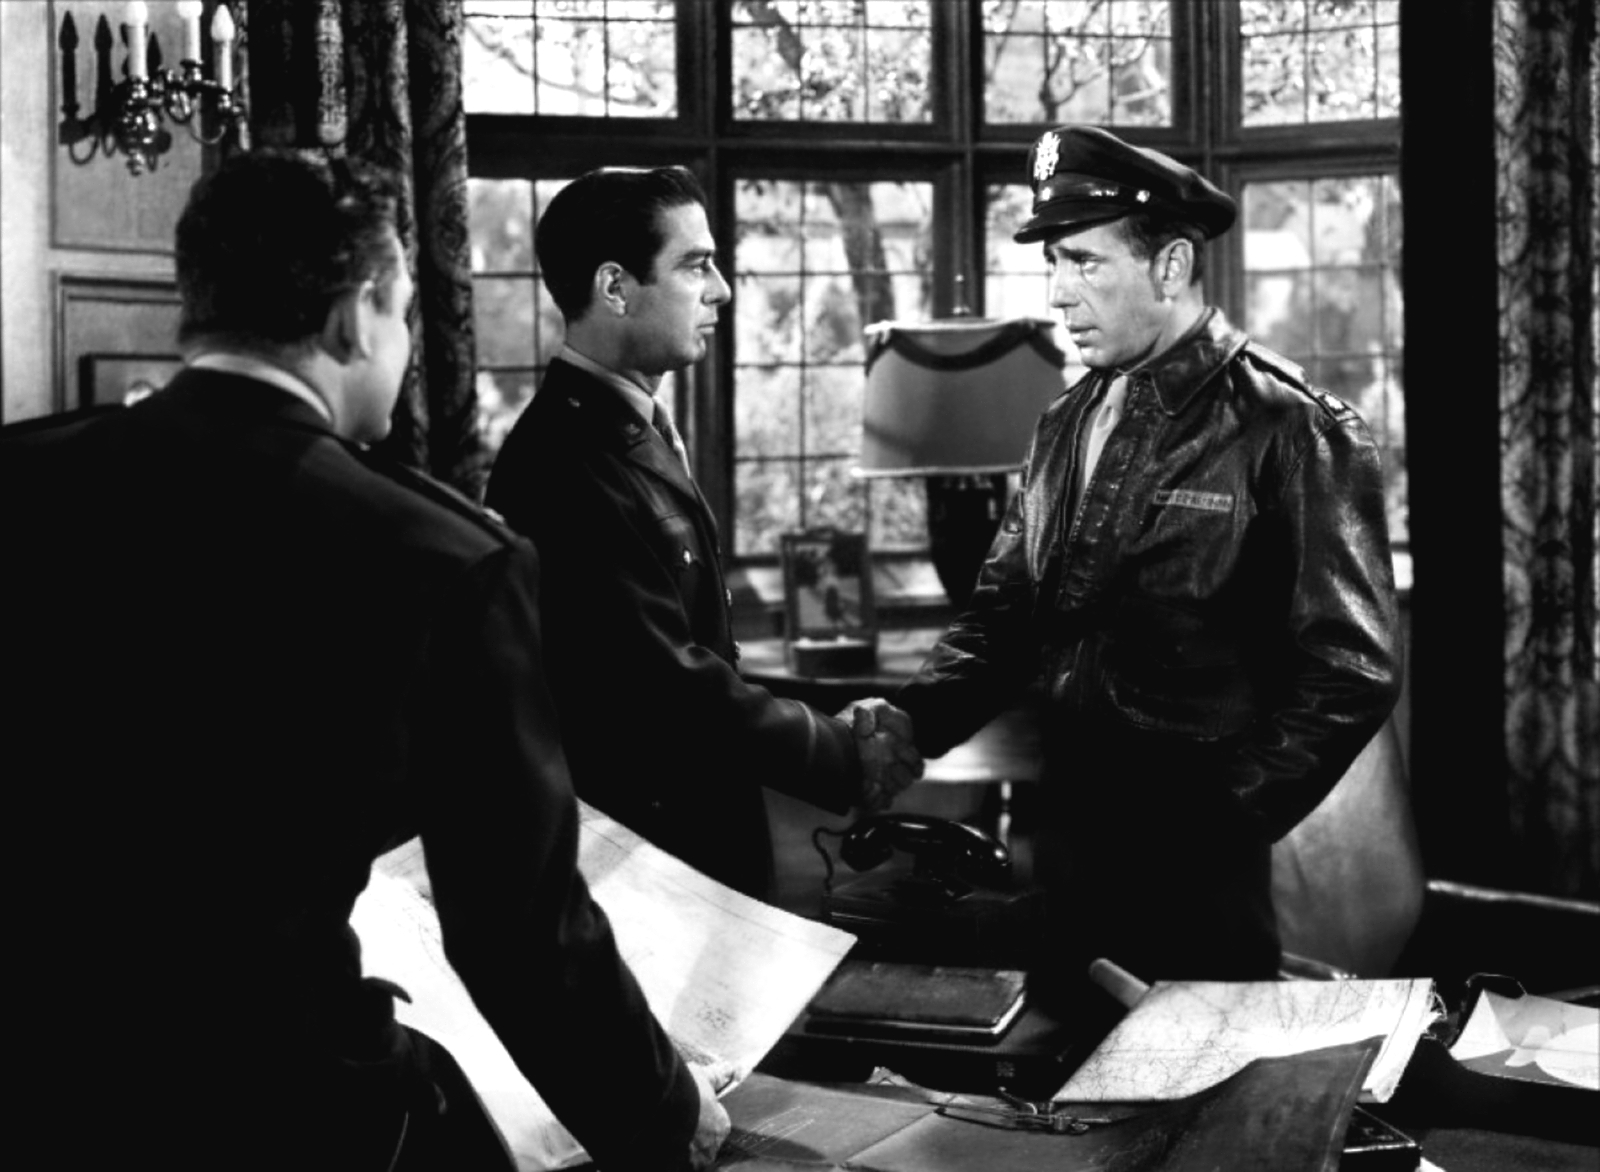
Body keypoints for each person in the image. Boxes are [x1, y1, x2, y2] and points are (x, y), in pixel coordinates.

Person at [1, 151, 727, 1171]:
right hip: (279, 1102)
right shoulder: (446, 558)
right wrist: (659, 1111)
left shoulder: (21, 478)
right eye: (403, 314)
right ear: (356, 318)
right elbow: (520, 929)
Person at [894, 126, 1403, 994]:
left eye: (1085, 263)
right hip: (1063, 865)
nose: (1058, 293)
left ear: (1170, 267)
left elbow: (1352, 669)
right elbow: (1004, 616)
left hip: (1198, 889)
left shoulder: (1292, 427)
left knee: (1192, 1081)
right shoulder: (1065, 423)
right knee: (1052, 1068)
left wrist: (1219, 823)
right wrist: (902, 729)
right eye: (1054, 263)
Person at [485, 166, 921, 900]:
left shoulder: (626, 426)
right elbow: (665, 685)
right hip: (644, 866)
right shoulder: (564, 462)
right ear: (615, 287)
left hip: (684, 845)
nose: (721, 289)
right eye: (695, 265)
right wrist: (840, 750)